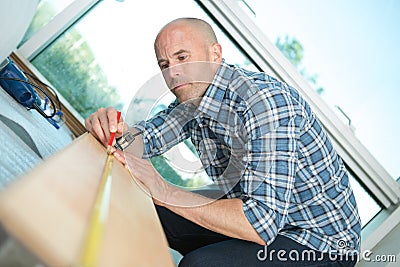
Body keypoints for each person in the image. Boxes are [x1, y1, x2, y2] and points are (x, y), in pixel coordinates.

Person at [85, 18, 361, 266]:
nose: (173, 73)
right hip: (257, 211)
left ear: (214, 54)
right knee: (147, 211)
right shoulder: (193, 97)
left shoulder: (264, 104)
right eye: (165, 65)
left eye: (183, 57)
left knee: (202, 264)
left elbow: (258, 223)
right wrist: (111, 129)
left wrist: (164, 189)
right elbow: (145, 139)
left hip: (320, 243)